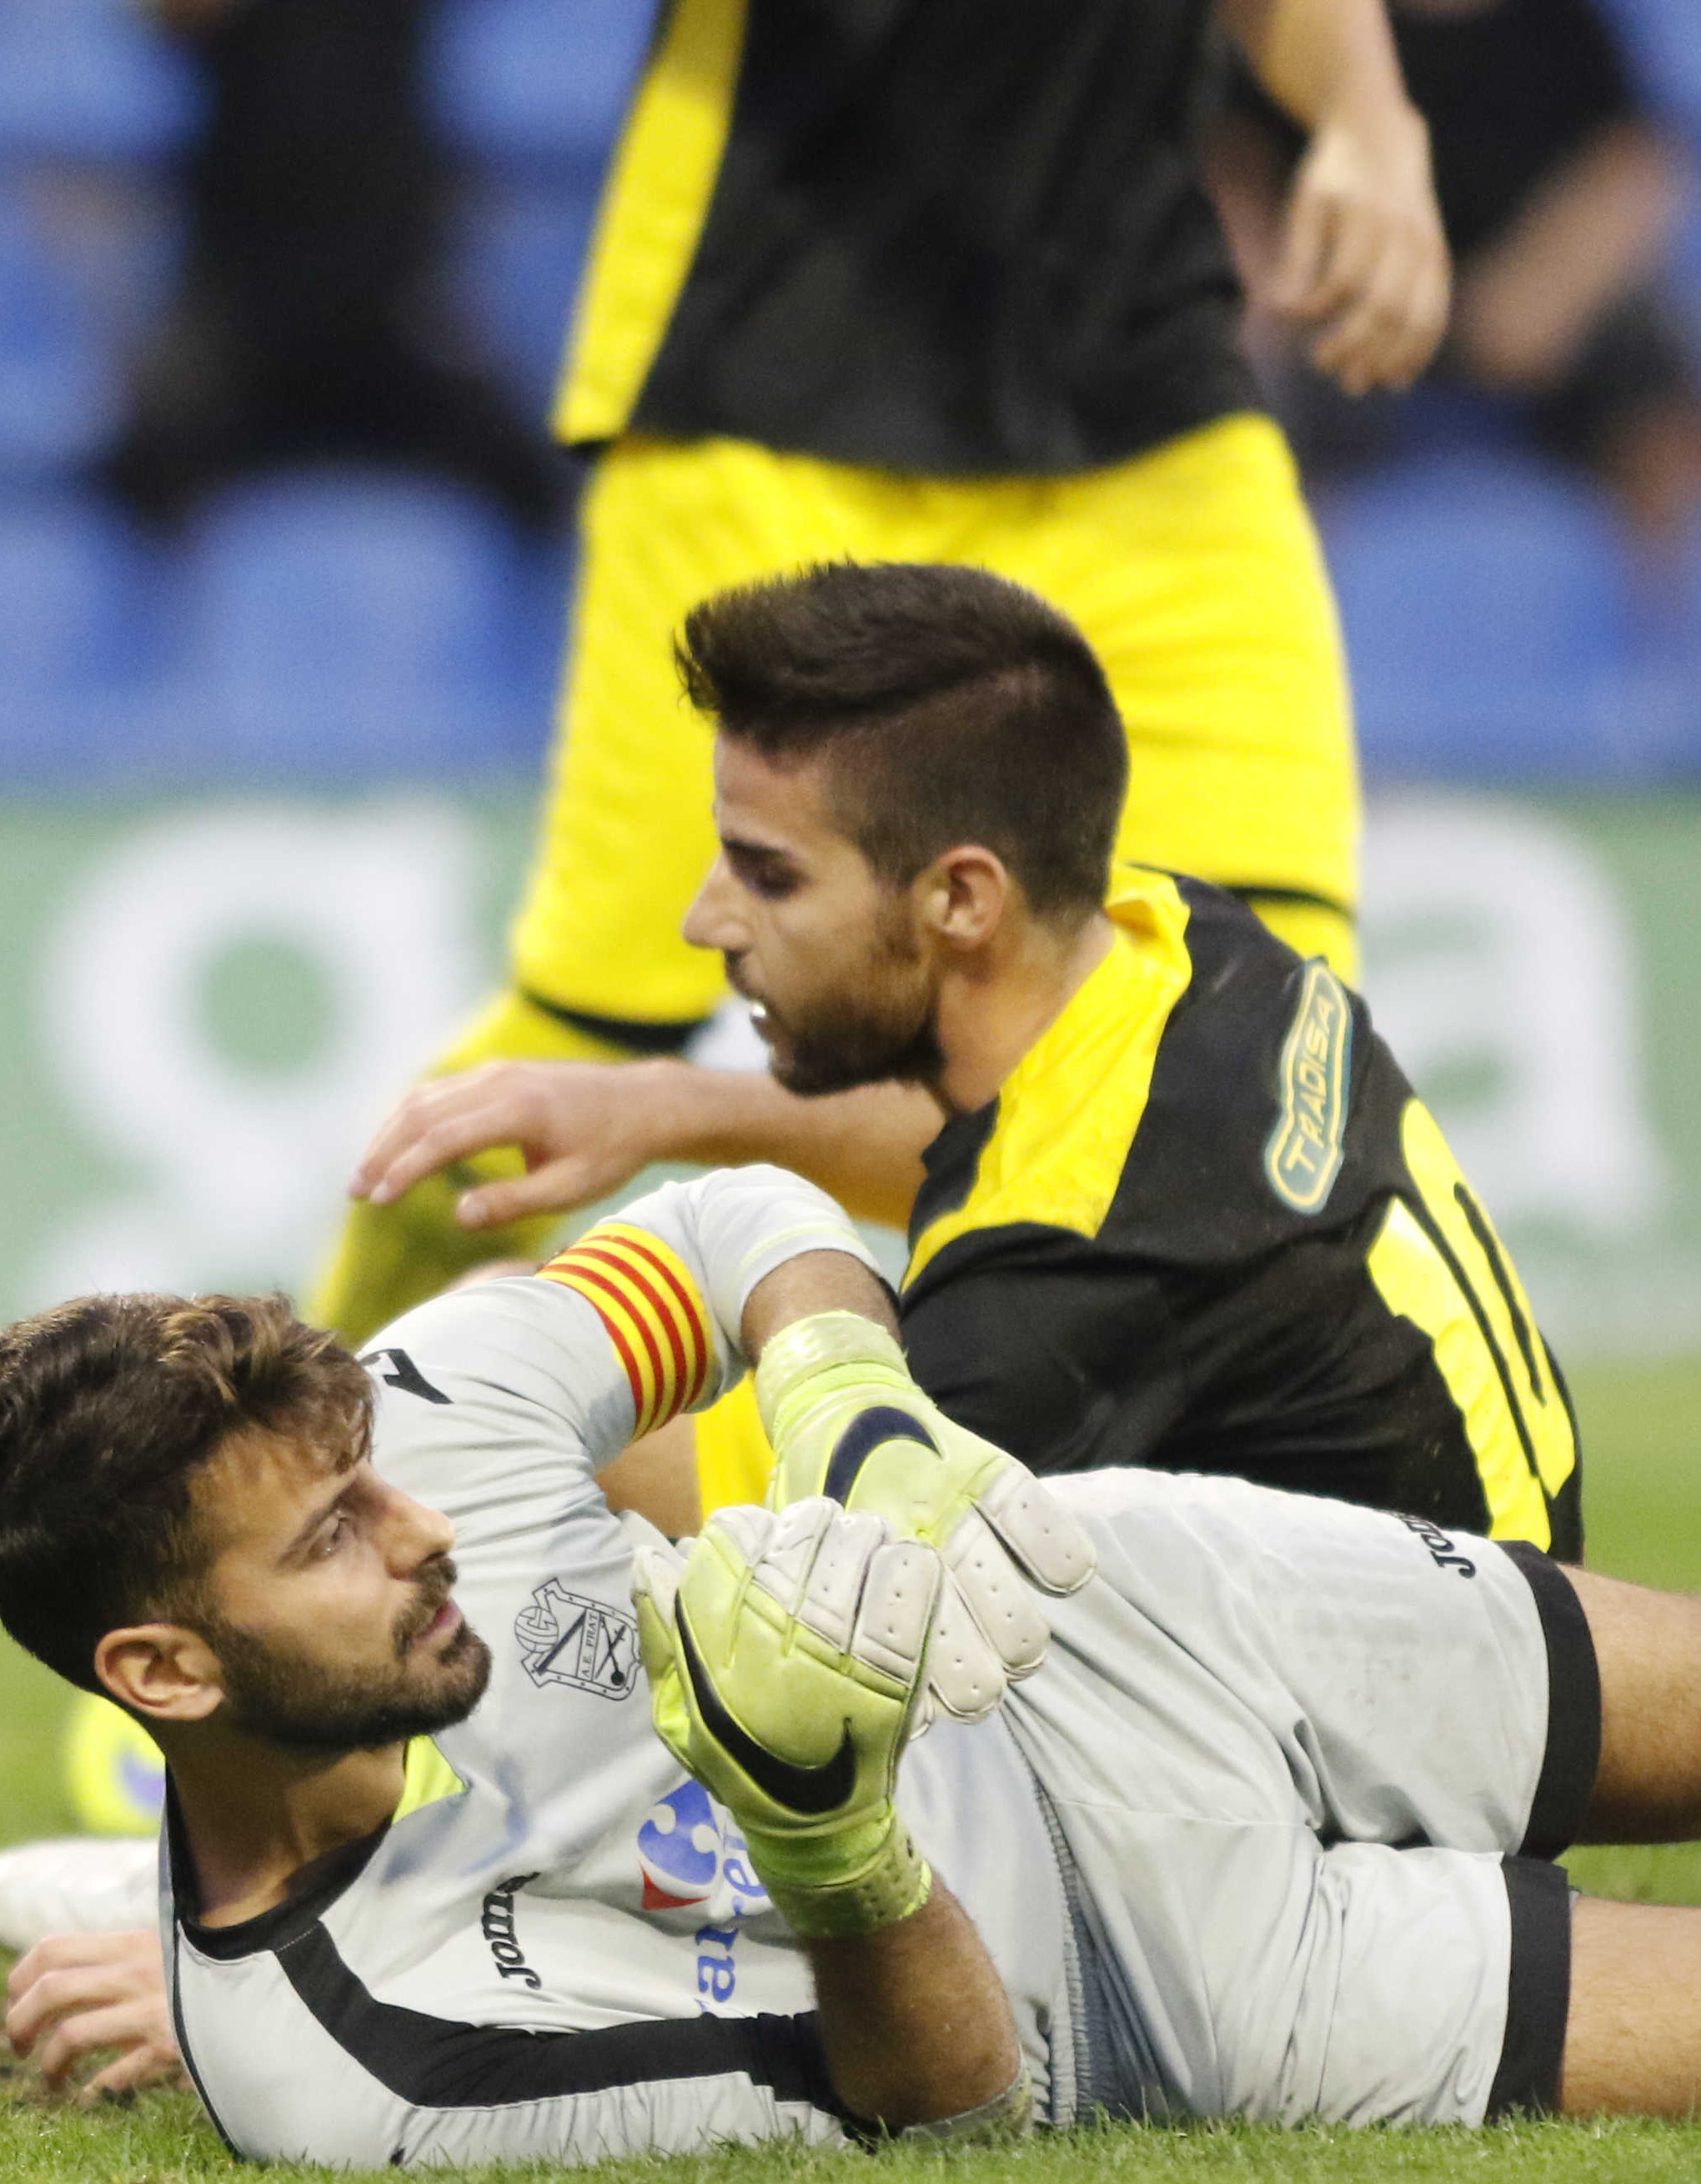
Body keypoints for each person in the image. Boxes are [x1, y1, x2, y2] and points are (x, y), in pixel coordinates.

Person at [0, 1170, 1701, 2164]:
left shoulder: (417, 1420)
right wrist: (826, 1832)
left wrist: (846, 1408)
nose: (416, 1529)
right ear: (161, 1670)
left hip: (1118, 1618)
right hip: (1179, 1984)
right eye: (328, 1538)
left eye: (373, 1479)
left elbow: (727, 1226)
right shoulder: (363, 2071)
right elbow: (942, 2096)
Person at [309, 0, 1450, 1343]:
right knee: (583, 1038)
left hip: (1148, 418)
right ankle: (288, 1454)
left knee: (1270, 1058)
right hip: (763, 390)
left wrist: (1371, 121)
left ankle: (1240, 1529)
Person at [346, 561, 1579, 1552]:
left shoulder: (1035, 1313)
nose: (706, 919)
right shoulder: (1178, 940)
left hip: (1396, 1787)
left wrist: (489, 1347)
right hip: (1501, 1615)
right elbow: (997, 1154)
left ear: (960, 900)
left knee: (494, 1392)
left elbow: (789, 1577)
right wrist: (664, 1104)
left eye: (768, 874)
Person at [1215, 0, 1701, 559]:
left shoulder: (1562, 24)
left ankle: (1663, 624)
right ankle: (1278, 607)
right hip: (1347, 317)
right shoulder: (1315, 28)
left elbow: (1633, 164)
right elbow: (1237, 173)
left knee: (1656, 403)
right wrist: (1299, 290)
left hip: (1533, 311)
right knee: (1242, 409)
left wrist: (1545, 287)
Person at [94, 0, 572, 541]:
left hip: (387, 311)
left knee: (532, 483)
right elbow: (172, 19)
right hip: (243, 312)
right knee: (134, 482)